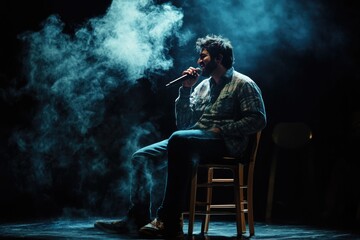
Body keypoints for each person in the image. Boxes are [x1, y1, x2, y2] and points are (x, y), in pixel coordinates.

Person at [94, 34, 267, 238]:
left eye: (203, 56)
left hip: (225, 144)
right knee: (141, 156)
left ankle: (169, 219)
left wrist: (222, 130)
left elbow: (258, 120)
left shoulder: (243, 83)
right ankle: (137, 218)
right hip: (194, 141)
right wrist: (186, 90)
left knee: (179, 139)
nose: (198, 61)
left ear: (218, 58)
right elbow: (184, 124)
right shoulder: (202, 86)